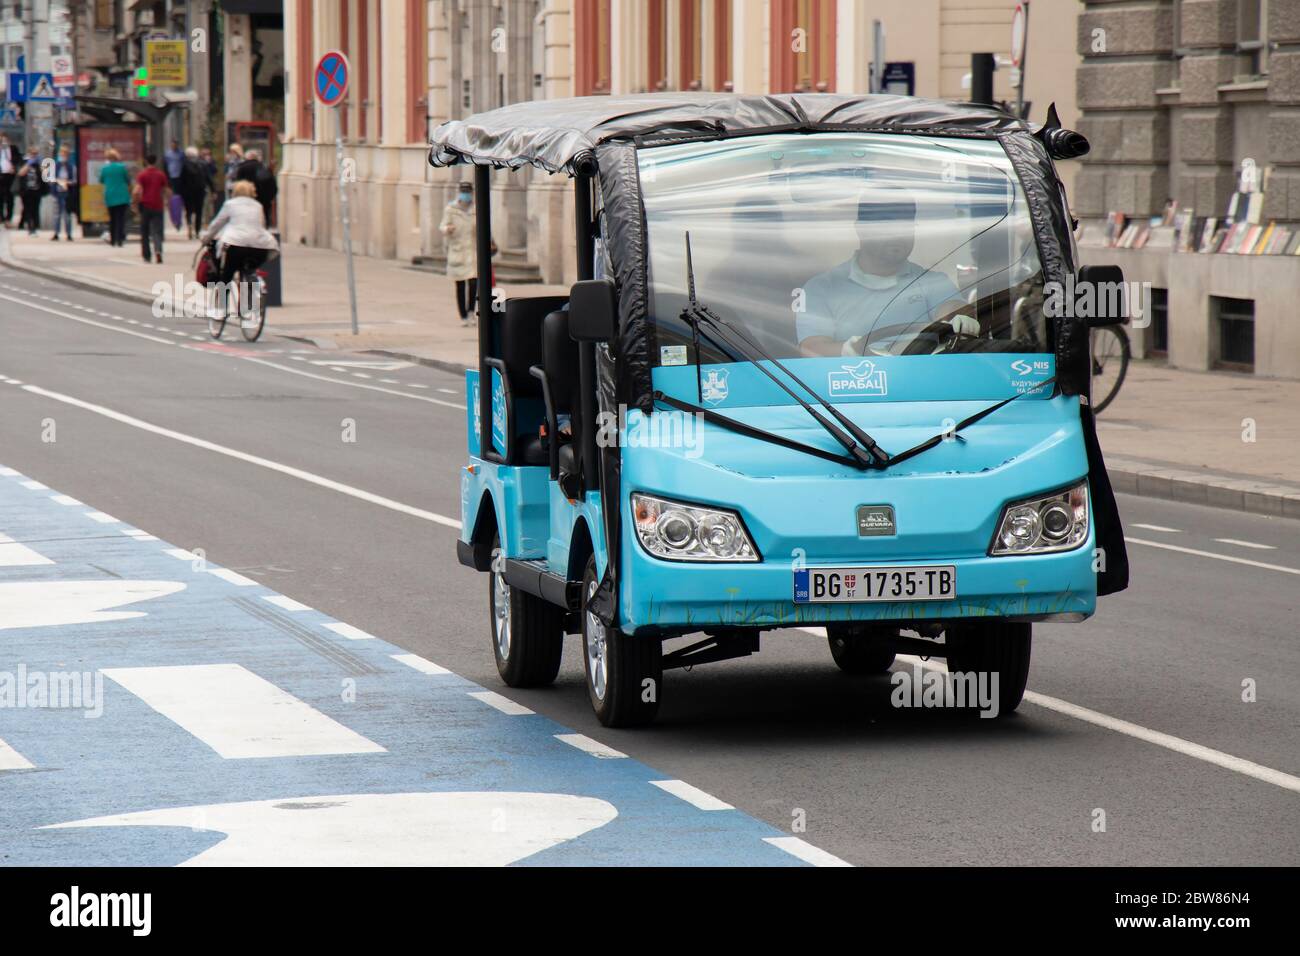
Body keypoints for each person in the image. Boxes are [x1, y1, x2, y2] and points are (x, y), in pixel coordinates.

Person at [796, 191, 969, 357]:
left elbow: (953, 309)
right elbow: (812, 349)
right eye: (887, 226)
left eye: (906, 226)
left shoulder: (932, 282)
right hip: (851, 382)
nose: (898, 234)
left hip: (923, 379)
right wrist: (853, 350)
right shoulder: (822, 288)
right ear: (861, 229)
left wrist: (957, 319)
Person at [200, 179, 278, 319]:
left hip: (236, 245)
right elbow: (262, 225)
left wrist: (206, 238)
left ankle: (221, 309)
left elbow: (217, 224)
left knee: (227, 274)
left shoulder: (230, 204)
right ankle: (251, 294)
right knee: (249, 269)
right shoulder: (257, 206)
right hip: (259, 247)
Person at [440, 182, 477, 325]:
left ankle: (471, 312)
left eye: (468, 192)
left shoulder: (475, 208)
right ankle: (463, 315)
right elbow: (442, 226)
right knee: (460, 284)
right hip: (458, 250)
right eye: (464, 192)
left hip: (472, 251)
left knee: (474, 283)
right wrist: (447, 229)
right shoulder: (451, 209)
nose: (466, 194)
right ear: (459, 192)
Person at [132, 153, 169, 264]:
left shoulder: (142, 175)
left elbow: (136, 191)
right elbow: (166, 190)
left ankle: (147, 255)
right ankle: (158, 251)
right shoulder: (161, 175)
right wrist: (166, 201)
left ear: (146, 162)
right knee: (157, 231)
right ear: (156, 162)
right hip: (158, 205)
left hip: (145, 205)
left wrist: (134, 203)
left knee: (145, 231)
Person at [233, 148, 277, 227]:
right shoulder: (264, 168)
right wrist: (269, 198)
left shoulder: (242, 168)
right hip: (263, 201)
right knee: (262, 222)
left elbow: (237, 186)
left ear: (247, 157)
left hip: (245, 201)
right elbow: (273, 186)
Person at [99, 148, 132, 247]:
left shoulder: (105, 168)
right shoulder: (122, 167)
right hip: (122, 195)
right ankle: (120, 239)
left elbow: (101, 180)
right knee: (121, 218)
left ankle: (113, 240)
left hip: (110, 195)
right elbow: (128, 180)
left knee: (112, 218)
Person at [178, 146, 208, 239]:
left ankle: (189, 224)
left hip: (187, 192)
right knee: (199, 211)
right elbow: (208, 178)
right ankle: (197, 231)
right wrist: (213, 189)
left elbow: (181, 180)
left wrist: (179, 192)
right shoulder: (202, 164)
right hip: (200, 191)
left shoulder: (184, 165)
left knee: (188, 210)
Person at [17, 147, 47, 236]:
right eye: (33, 154)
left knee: (35, 209)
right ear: (29, 154)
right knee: (28, 209)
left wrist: (41, 165)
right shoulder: (25, 161)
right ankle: (31, 228)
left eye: (36, 154)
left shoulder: (38, 164)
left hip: (36, 190)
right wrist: (29, 164)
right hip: (26, 191)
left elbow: (45, 176)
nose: (34, 155)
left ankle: (35, 226)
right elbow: (20, 173)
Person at [50, 145, 76, 241]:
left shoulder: (71, 167)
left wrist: (67, 182)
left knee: (67, 215)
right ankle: (56, 233)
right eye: (61, 154)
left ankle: (68, 234)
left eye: (65, 154)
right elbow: (51, 179)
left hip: (67, 193)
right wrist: (57, 181)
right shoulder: (55, 166)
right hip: (57, 192)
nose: (63, 156)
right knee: (57, 214)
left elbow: (74, 180)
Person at [0, 134, 20, 227]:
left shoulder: (13, 149)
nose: (3, 142)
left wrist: (14, 168)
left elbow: (18, 160)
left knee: (10, 198)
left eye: (5, 140)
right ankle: (1, 217)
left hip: (10, 176)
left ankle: (8, 218)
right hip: (1, 175)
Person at [163, 139, 185, 204]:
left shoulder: (181, 153)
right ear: (171, 145)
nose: (174, 146)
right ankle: (171, 203)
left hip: (179, 176)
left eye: (175, 145)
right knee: (171, 191)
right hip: (171, 175)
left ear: (177, 145)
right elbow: (165, 165)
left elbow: (184, 164)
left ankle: (179, 203)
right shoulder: (167, 154)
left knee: (179, 191)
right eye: (172, 145)